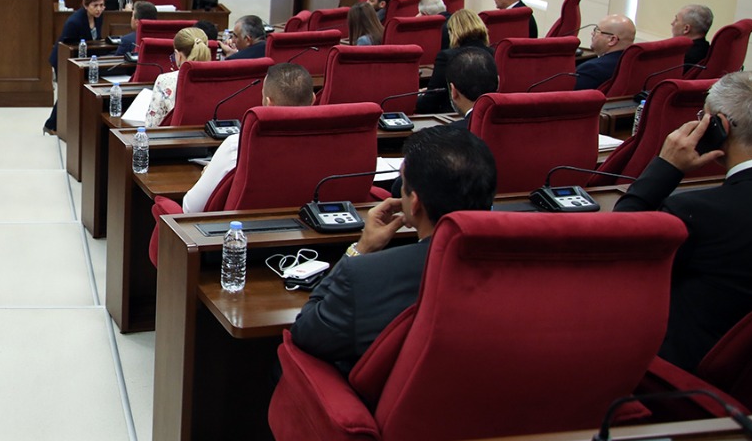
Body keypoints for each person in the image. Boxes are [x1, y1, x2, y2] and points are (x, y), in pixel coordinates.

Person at [614, 71, 752, 370]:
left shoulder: (696, 212)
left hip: (680, 374)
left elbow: (619, 257)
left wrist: (666, 166)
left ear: (719, 126)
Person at [291, 126, 498, 374]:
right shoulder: (525, 266)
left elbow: (306, 331)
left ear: (414, 202)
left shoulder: (366, 276)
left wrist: (361, 249)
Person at [183, 63, 313, 214]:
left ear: (269, 103)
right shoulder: (330, 146)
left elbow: (190, 208)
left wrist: (207, 176)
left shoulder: (237, 145)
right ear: (313, 99)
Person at [43, 0, 107, 135]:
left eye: (101, 5)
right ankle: (51, 125)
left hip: (82, 60)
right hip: (63, 59)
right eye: (95, 6)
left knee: (74, 92)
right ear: (86, 5)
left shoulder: (99, 17)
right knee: (67, 92)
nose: (99, 9)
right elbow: (66, 47)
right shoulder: (74, 22)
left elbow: (96, 39)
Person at [418, 10, 490, 113]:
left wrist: (416, 98)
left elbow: (430, 102)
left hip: (451, 115)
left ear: (453, 32)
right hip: (486, 114)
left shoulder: (446, 57)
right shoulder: (494, 53)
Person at [141, 27, 211, 127]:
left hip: (176, 136)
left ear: (178, 55)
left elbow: (152, 125)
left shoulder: (165, 80)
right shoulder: (220, 76)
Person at [575, 13, 635, 90]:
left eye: (597, 30)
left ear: (612, 40)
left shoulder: (592, 69)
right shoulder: (636, 65)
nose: (592, 33)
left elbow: (567, 95)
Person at [672, 3, 714, 67]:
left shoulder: (682, 58)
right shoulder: (708, 51)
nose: (672, 23)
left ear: (686, 29)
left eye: (676, 20)